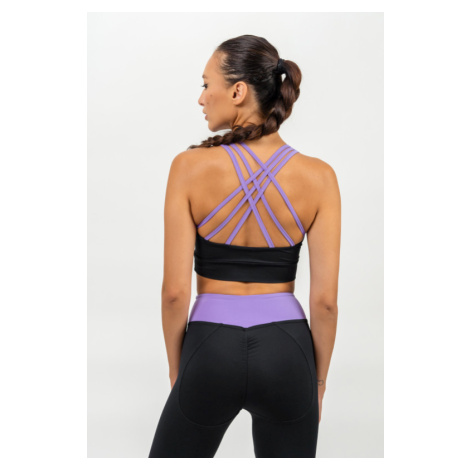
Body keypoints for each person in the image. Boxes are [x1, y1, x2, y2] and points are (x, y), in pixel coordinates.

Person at [148, 34, 341, 458]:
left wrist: (180, 370)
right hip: (288, 352)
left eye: (206, 85)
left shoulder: (188, 167)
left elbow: (175, 293)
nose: (201, 98)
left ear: (237, 92)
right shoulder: (320, 177)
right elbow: (325, 303)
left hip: (210, 348)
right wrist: (318, 382)